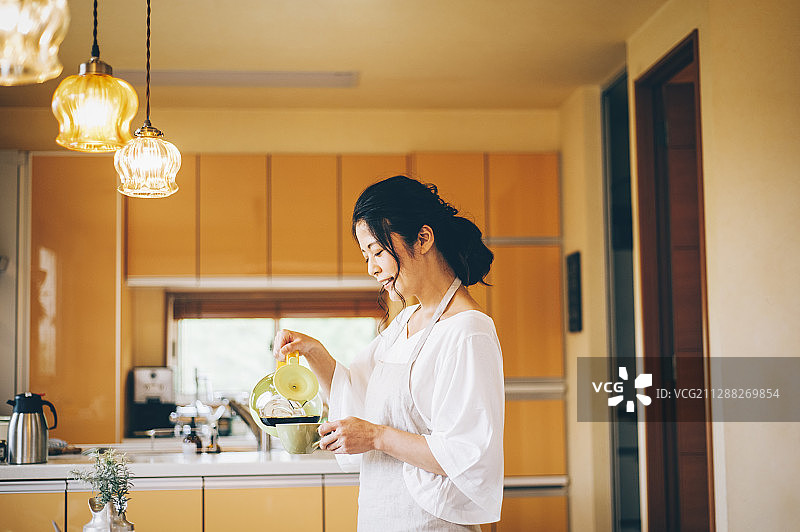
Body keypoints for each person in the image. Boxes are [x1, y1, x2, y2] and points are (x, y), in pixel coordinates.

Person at [272, 175, 504, 530]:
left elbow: (465, 452)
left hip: (430, 523)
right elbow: (356, 394)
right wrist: (313, 352)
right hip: (382, 515)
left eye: (378, 252)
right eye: (366, 256)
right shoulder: (405, 322)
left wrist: (376, 436)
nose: (372, 268)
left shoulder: (468, 330)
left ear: (423, 239)